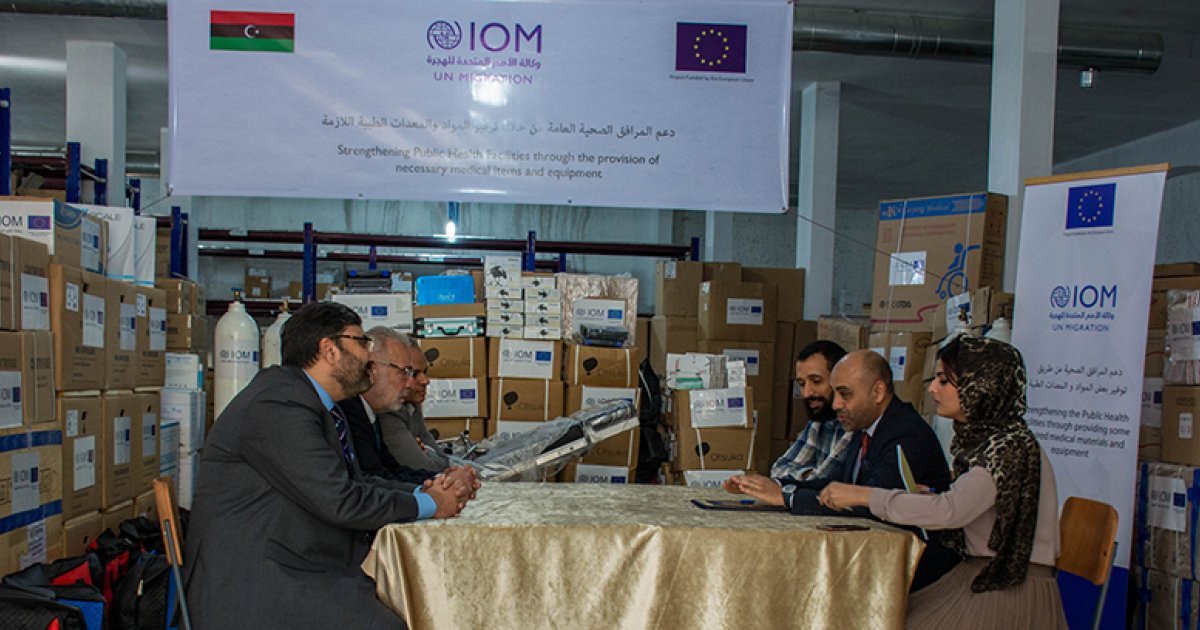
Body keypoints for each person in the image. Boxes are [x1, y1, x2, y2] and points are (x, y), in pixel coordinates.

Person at [184, 302, 460, 629]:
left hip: (300, 558)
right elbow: (339, 500)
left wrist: (423, 493)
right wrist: (429, 504)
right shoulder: (278, 404)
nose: (370, 357)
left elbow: (357, 482)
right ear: (329, 350)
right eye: (362, 342)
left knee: (414, 599)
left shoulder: (317, 404)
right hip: (258, 580)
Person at [818, 336, 1068, 629]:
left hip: (1007, 590)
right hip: (981, 577)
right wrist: (928, 496)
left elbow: (950, 511)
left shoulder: (1007, 448)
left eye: (944, 381)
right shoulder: (994, 441)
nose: (932, 389)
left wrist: (865, 495)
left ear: (980, 386)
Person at [728, 349, 960, 591]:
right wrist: (776, 486)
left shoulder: (907, 434)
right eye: (835, 393)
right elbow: (837, 485)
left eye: (845, 394)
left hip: (918, 576)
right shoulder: (866, 428)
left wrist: (788, 497)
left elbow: (869, 502)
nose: (836, 404)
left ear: (878, 392)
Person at [338, 326, 478, 501]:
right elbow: (369, 481)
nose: (411, 384)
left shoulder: (373, 411)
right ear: (372, 368)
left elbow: (392, 470)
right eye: (405, 372)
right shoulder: (349, 411)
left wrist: (442, 479)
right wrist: (434, 494)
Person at [724, 340, 850, 503]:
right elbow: (779, 469)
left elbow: (823, 482)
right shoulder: (819, 421)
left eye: (816, 381)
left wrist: (787, 484)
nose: (807, 393)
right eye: (802, 384)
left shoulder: (853, 423)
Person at [377, 334, 451, 472]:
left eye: (425, 372)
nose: (425, 381)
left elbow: (442, 459)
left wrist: (427, 454)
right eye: (413, 373)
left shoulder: (412, 404)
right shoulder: (386, 411)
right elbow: (427, 468)